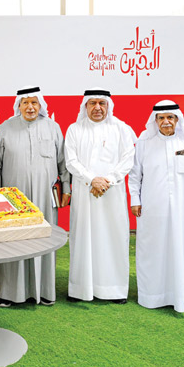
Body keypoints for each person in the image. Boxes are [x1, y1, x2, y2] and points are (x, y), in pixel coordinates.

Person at [0, 86, 71, 307]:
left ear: (40, 105)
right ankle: (8, 293)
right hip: (12, 200)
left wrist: (66, 189)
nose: (30, 107)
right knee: (12, 241)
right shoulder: (6, 128)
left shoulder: (53, 127)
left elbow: (63, 163)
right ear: (18, 105)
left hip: (45, 197)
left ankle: (44, 291)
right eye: (25, 103)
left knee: (45, 239)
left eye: (34, 102)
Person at [129, 101, 184, 312]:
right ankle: (152, 295)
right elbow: (135, 175)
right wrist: (135, 199)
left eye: (170, 117)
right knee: (153, 250)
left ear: (177, 119)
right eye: (161, 118)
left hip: (182, 208)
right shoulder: (144, 142)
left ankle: (182, 293)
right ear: (155, 120)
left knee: (181, 247)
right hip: (152, 208)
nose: (166, 121)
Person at [64, 88, 136, 303]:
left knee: (113, 238)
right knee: (83, 238)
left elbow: (128, 159)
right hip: (84, 193)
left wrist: (108, 181)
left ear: (108, 106)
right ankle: (81, 290)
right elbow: (71, 161)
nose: (97, 108)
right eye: (92, 103)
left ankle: (114, 290)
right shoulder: (75, 129)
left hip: (112, 194)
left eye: (101, 103)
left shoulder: (121, 128)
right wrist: (92, 179)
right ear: (85, 106)